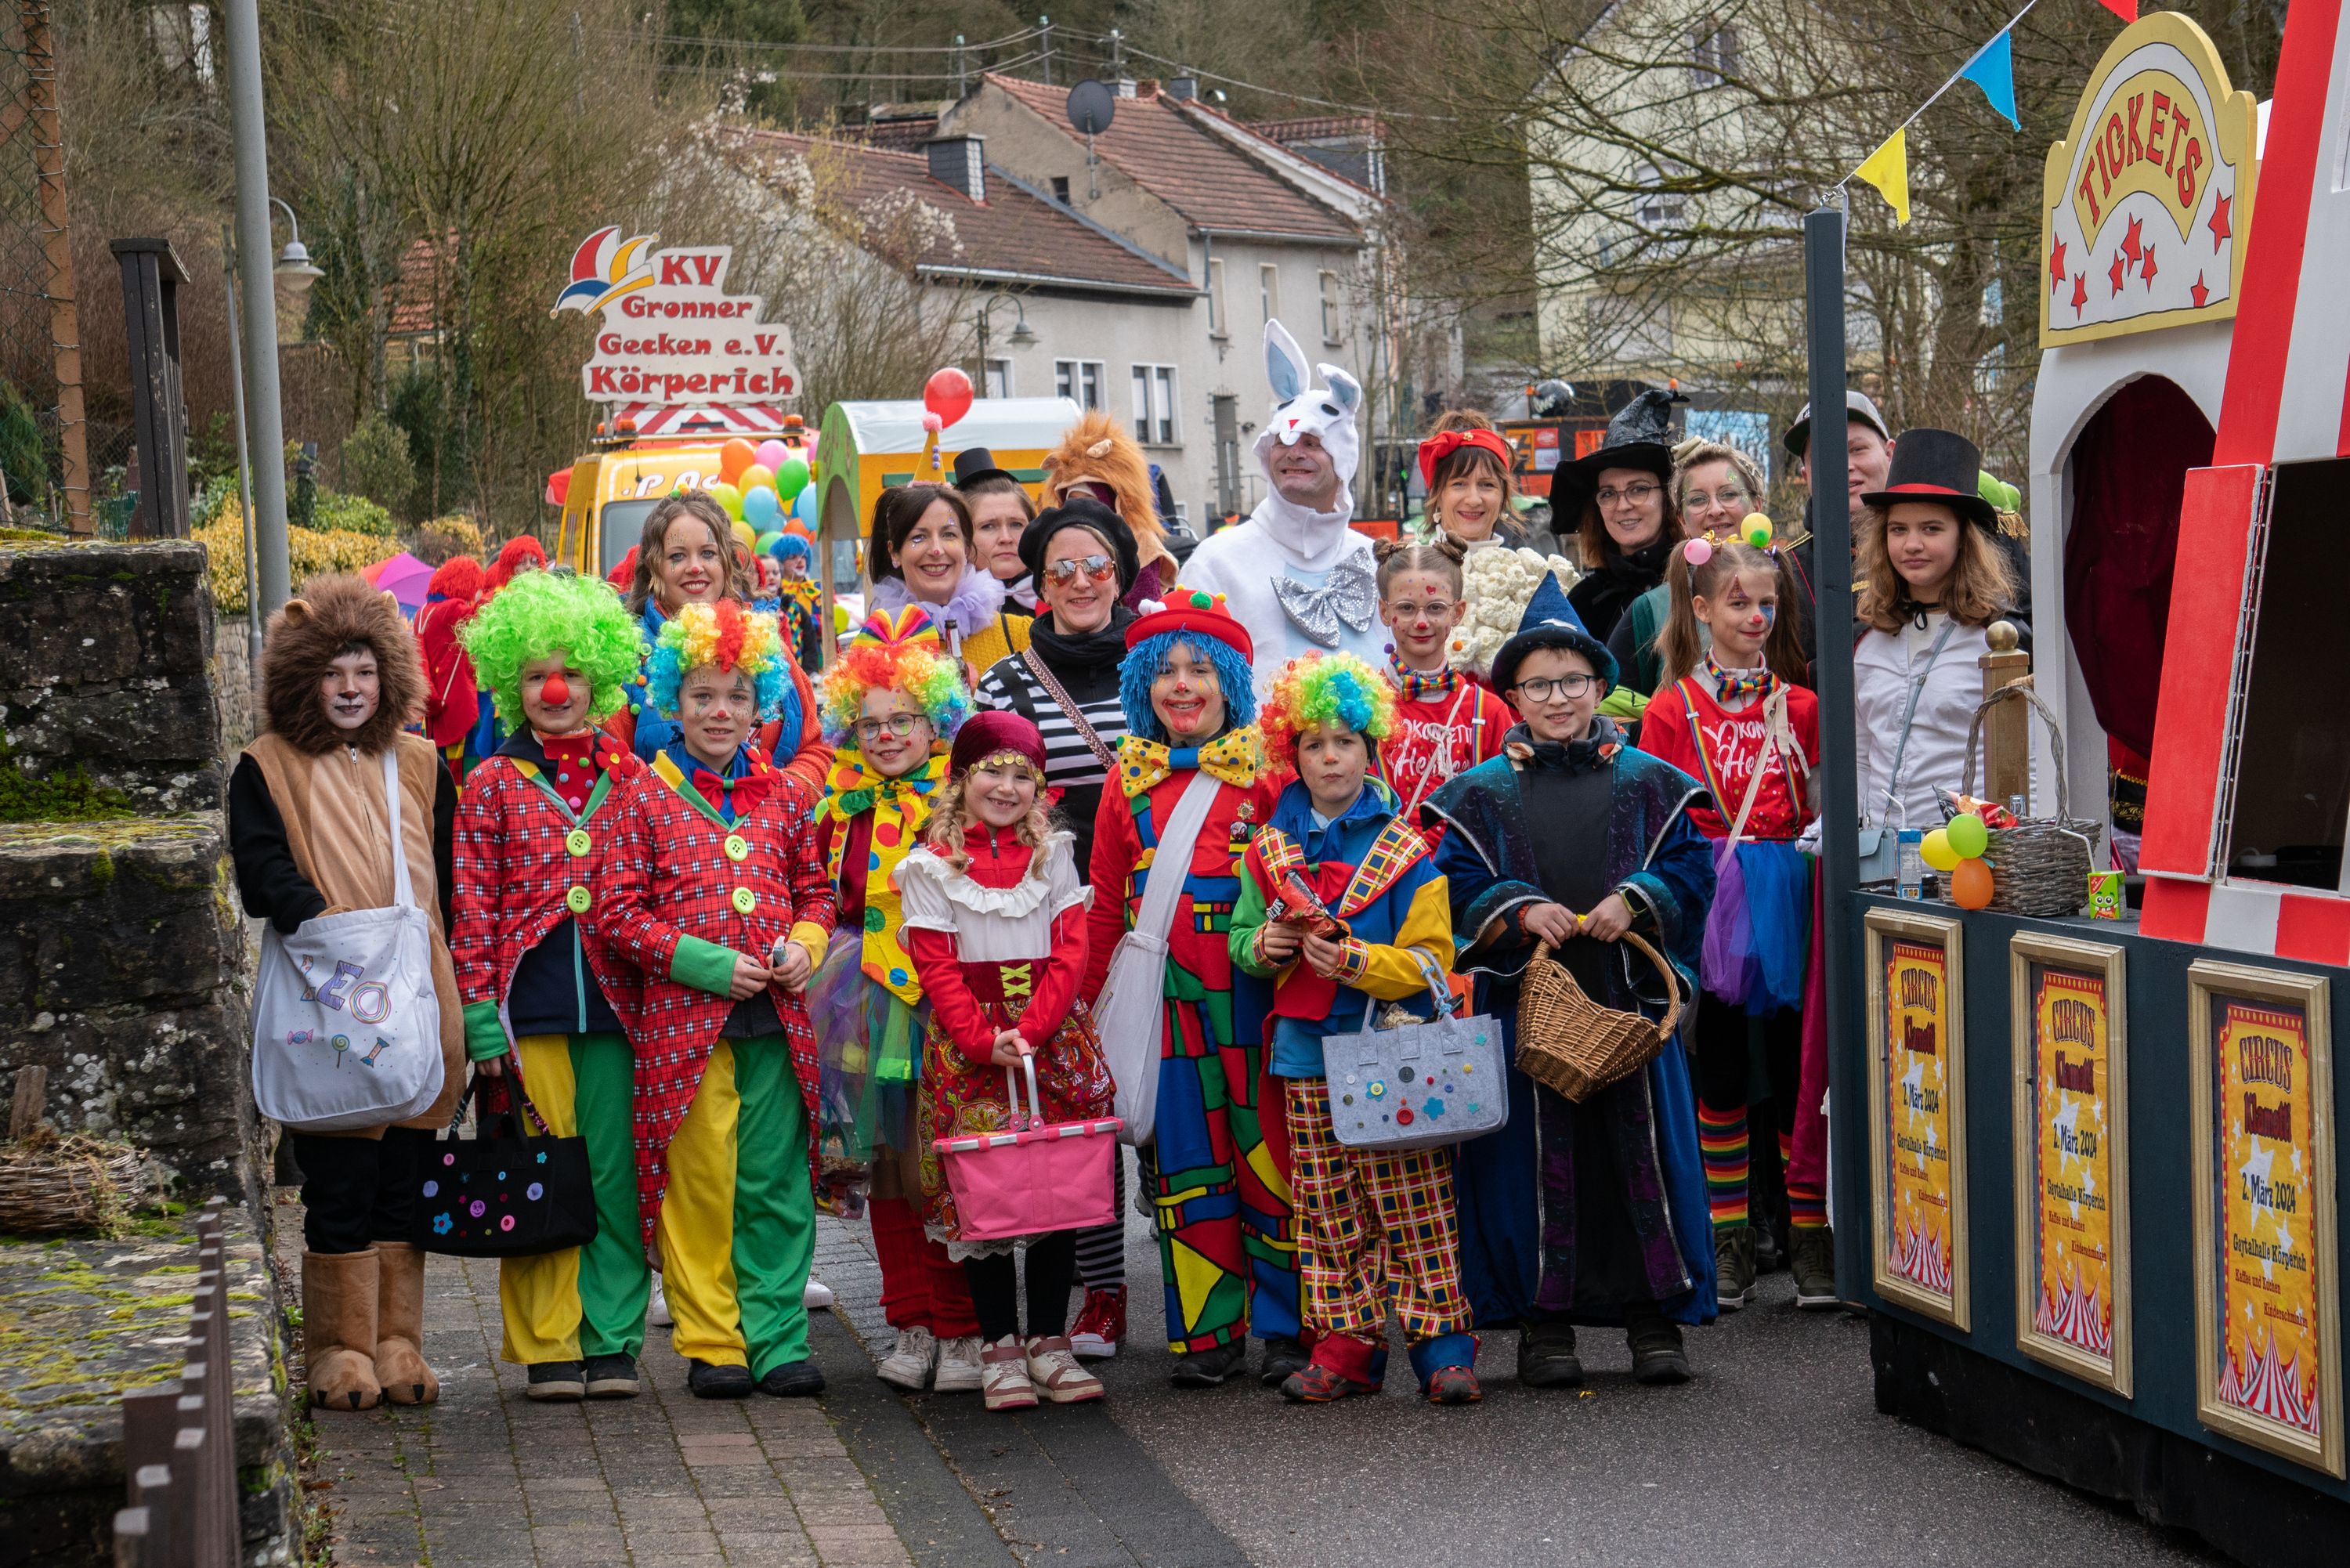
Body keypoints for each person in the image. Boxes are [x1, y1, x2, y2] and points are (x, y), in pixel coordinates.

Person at [1424, 573, 1716, 1386]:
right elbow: (1445, 884)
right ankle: (1543, 1326)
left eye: (1574, 681)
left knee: (1641, 1160)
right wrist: (1516, 911)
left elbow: (1695, 869)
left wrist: (1639, 898)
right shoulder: (1476, 796)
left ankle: (1655, 1320)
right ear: (1512, 693)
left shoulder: (1651, 782)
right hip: (1530, 1010)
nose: (1558, 698)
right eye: (1539, 683)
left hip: (1628, 1003)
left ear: (1599, 685)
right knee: (1532, 1168)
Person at [229, 574, 465, 1411]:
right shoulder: (268, 766)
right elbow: (262, 874)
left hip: (419, 1000)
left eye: (365, 671)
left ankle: (398, 1343)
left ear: (389, 674)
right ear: (304, 677)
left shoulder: (423, 763)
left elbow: (449, 880)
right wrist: (326, 930)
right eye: (335, 672)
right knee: (339, 1181)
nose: (352, 688)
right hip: (331, 1004)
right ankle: (337, 1348)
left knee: (406, 1177)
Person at [594, 601, 837, 1400]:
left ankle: (778, 1334)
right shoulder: (642, 795)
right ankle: (712, 1338)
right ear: (671, 702)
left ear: (761, 705)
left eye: (736, 695)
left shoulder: (785, 799)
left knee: (773, 1181)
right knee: (700, 1182)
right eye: (701, 696)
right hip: (685, 1028)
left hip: (776, 1020)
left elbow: (816, 889)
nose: (720, 712)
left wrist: (803, 942)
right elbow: (616, 914)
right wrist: (702, 962)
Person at [1229, 652, 1475, 1404]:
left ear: (1371, 750)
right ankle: (1346, 1345)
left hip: (1390, 1052)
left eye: (1344, 741)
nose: (1329, 756)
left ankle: (1442, 1345)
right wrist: (1261, 947)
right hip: (1305, 1053)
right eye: (1312, 743)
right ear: (1290, 754)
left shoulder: (1408, 852)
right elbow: (1243, 938)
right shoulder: (1269, 850)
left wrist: (1358, 961)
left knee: (1414, 1199)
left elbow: (1434, 965)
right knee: (1326, 1205)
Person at [1083, 591, 1302, 1387]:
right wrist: (1083, 1003)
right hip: (1167, 1005)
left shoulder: (1272, 776)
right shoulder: (1123, 784)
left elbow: (1302, 880)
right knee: (1184, 1167)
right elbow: (1107, 901)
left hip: (1254, 996)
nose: (1182, 685)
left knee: (1268, 1155)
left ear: (1231, 682)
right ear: (1142, 685)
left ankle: (1287, 1324)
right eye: (1165, 670)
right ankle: (1206, 1330)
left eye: (1200, 668)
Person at [448, 569, 652, 1400]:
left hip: (615, 1009)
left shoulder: (635, 778)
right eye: (534, 675)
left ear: (600, 680)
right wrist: (478, 1016)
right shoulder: (492, 781)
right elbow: (471, 903)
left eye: (568, 673)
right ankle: (546, 1343)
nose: (555, 689)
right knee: (538, 1172)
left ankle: (611, 1337)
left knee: (613, 1174)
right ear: (511, 685)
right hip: (526, 1013)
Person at [897, 711, 1115, 1411]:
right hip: (972, 1048)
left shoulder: (1055, 856)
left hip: (1049, 1038)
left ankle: (1048, 1341)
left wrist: (1035, 1027)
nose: (1008, 785)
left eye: (1023, 774)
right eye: (993, 769)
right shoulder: (929, 864)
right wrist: (980, 1039)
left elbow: (1070, 950)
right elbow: (936, 965)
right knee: (985, 1197)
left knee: (1056, 1187)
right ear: (961, 779)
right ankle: (999, 1346)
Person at [971, 497, 1142, 1358]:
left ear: (1122, 569)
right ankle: (1101, 1291)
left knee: (1177, 1101)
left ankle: (1208, 1290)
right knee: (1087, 1100)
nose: (1081, 582)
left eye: (1096, 566)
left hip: (1170, 901)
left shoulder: (1163, 657)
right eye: (1060, 570)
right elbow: (985, 796)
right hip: (1061, 917)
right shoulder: (1005, 681)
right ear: (1037, 584)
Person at [1635, 535, 1818, 1313]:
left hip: (1787, 891)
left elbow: (1817, 802)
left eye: (1766, 603)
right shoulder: (1672, 707)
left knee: (1792, 1067)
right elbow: (1652, 814)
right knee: (1719, 1071)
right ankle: (1728, 1243)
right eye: (1738, 602)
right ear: (1702, 609)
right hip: (1712, 899)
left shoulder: (1800, 704)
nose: (1755, 616)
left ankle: (1810, 1237)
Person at [813, 607, 986, 1394]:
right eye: (870, 722)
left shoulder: (961, 799)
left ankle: (962, 1329)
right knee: (884, 1168)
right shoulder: (838, 805)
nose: (886, 736)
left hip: (941, 1002)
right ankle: (909, 1322)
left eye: (904, 720)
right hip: (862, 1007)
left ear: (935, 721)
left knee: (941, 1172)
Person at [1178, 321, 1383, 699]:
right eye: (1283, 440)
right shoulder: (1216, 562)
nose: (1294, 452)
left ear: (1343, 457)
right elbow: (1184, 682)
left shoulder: (1377, 561)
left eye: (1311, 442)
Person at [1853, 428, 2023, 837]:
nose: (1912, 544)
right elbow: (1860, 758)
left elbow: (2025, 768)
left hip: (1967, 863)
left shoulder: (1999, 642)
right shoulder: (1866, 643)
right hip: (1880, 865)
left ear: (1964, 539)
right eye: (1898, 529)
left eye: (1931, 528)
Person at [615, 492, 830, 801]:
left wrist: (776, 801)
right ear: (654, 568)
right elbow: (610, 770)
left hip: (772, 839)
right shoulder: (625, 656)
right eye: (677, 556)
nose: (695, 567)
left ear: (726, 562)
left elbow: (815, 749)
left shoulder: (763, 642)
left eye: (708, 553)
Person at [1607, 440, 1768, 698]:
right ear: (1682, 520)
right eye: (1697, 500)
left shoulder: (1796, 589)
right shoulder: (1652, 609)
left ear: (1757, 505)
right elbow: (1610, 710)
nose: (1715, 510)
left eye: (1728, 494)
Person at [1372, 538, 1513, 829]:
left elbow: (1508, 809)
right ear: (1385, 612)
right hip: (1387, 868)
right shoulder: (1363, 704)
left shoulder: (1489, 711)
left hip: (1466, 870)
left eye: (1436, 608)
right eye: (1407, 608)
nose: (1422, 622)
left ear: (1457, 612)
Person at [870, 482, 1033, 682]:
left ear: (966, 546)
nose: (937, 550)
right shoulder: (875, 649)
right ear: (894, 552)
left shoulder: (1022, 634)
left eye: (949, 535)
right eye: (919, 537)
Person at [1564, 389, 1688, 644]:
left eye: (1638, 489)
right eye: (1608, 494)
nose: (1623, 506)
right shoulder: (1582, 602)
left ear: (1668, 498)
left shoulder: (1699, 582)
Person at [1037, 412, 1177, 608]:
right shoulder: (1063, 542)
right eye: (1072, 502)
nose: (1081, 510)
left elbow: (1143, 605)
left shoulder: (1139, 541)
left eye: (1089, 501)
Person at [413, 555, 484, 783]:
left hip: (436, 708)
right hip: (459, 709)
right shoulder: (453, 609)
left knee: (441, 773)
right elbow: (482, 616)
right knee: (464, 777)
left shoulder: (422, 612)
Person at [1418, 411, 1528, 552]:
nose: (1474, 500)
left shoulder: (1529, 572)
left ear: (1503, 496)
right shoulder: (1412, 571)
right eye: (1459, 484)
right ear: (1436, 493)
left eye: (1487, 485)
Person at [954, 446, 1042, 614]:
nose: (1005, 538)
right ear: (963, 538)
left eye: (1016, 524)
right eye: (988, 526)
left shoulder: (1062, 595)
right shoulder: (946, 609)